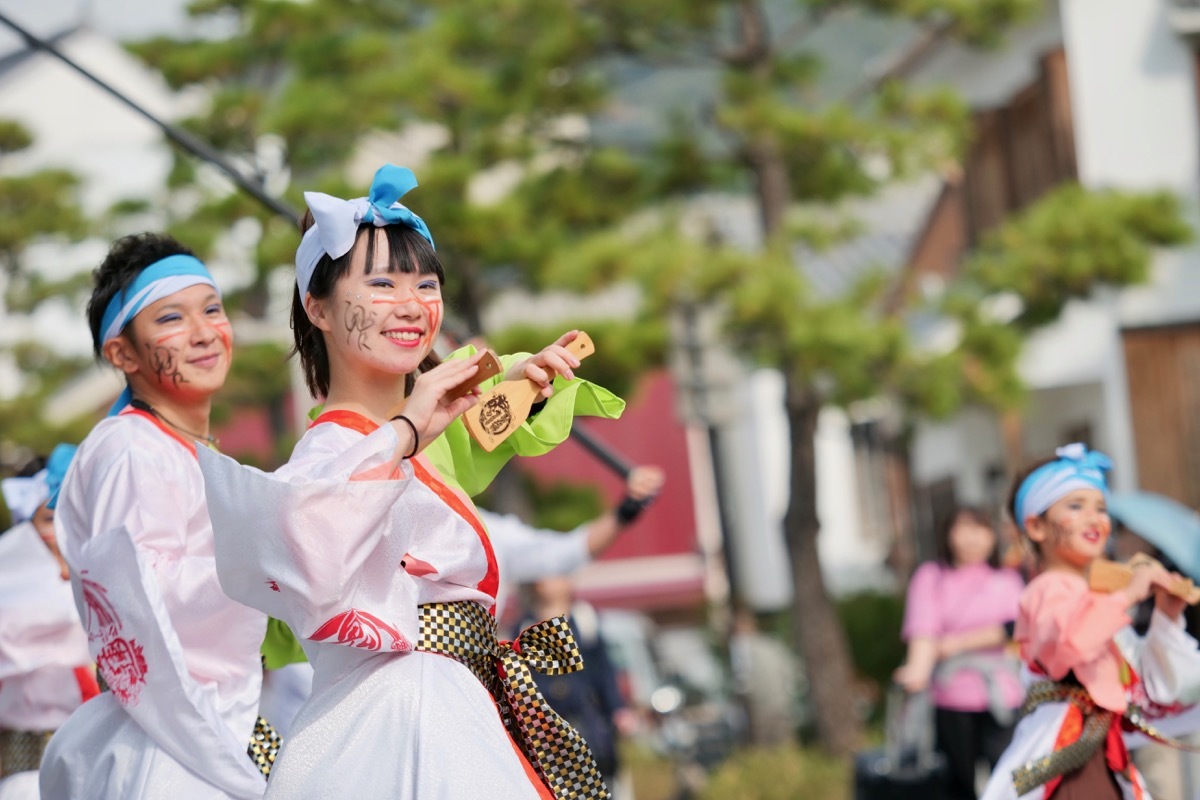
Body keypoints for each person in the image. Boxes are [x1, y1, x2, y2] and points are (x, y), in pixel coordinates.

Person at [198, 164, 624, 798]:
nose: (411, 304)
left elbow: (476, 417)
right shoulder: (327, 461)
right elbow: (307, 540)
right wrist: (405, 429)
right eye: (379, 283)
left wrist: (528, 383)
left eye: (425, 283)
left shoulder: (429, 429)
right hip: (392, 718)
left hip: (456, 705)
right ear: (316, 306)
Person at [39, 234, 271, 800]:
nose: (202, 332)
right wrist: (269, 564)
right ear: (123, 354)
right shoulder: (132, 449)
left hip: (205, 728)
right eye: (171, 318)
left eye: (212, 309)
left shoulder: (187, 451)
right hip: (172, 747)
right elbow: (144, 597)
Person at [980, 443, 1200, 800]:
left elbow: (1142, 681)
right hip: (1065, 753)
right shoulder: (1047, 589)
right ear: (1036, 526)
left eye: (1100, 507)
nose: (1094, 517)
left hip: (1097, 750)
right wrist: (1127, 595)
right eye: (1076, 506)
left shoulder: (1095, 595)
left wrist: (1166, 616)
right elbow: (1071, 644)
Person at [894, 505, 1026, 800]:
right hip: (951, 696)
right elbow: (923, 630)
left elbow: (1015, 627)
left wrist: (956, 644)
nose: (972, 538)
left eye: (980, 529)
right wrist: (917, 670)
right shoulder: (931, 576)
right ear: (948, 534)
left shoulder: (1007, 579)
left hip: (1002, 693)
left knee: (1008, 778)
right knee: (958, 782)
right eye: (964, 529)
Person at [0, 445, 97, 799]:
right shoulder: (9, 599)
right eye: (47, 520)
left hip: (94, 741)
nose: (60, 531)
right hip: (24, 749)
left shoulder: (103, 583)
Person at [518, 576, 636, 794]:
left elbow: (604, 671)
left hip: (591, 722)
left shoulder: (585, 619)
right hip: (549, 730)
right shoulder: (524, 626)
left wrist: (618, 709)